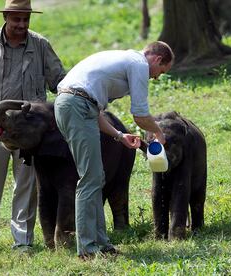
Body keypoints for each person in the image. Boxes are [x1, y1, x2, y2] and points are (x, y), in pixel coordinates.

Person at [0, 0, 66, 264]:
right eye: (16, 19)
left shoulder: (40, 44)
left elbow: (59, 81)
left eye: (25, 20)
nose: (21, 25)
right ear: (6, 16)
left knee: (27, 187)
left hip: (30, 131)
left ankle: (23, 242)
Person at [54, 41, 174, 260]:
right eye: (161, 72)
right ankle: (88, 248)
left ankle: (101, 243)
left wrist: (119, 135)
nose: (156, 77)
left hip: (76, 105)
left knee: (96, 177)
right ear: (157, 59)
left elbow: (95, 108)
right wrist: (158, 133)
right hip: (75, 106)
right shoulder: (138, 63)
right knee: (90, 179)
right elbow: (139, 114)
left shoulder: (123, 62)